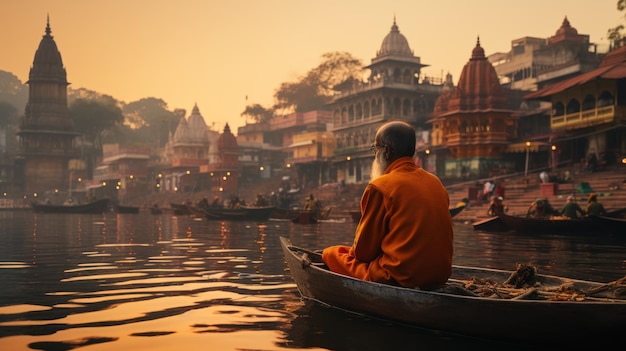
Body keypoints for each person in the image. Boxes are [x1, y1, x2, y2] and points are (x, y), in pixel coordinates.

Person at [322, 121, 453, 289]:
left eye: (376, 149)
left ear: (387, 152)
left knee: (331, 253)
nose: (375, 154)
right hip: (439, 275)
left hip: (397, 277)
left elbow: (363, 252)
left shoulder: (381, 186)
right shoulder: (436, 183)